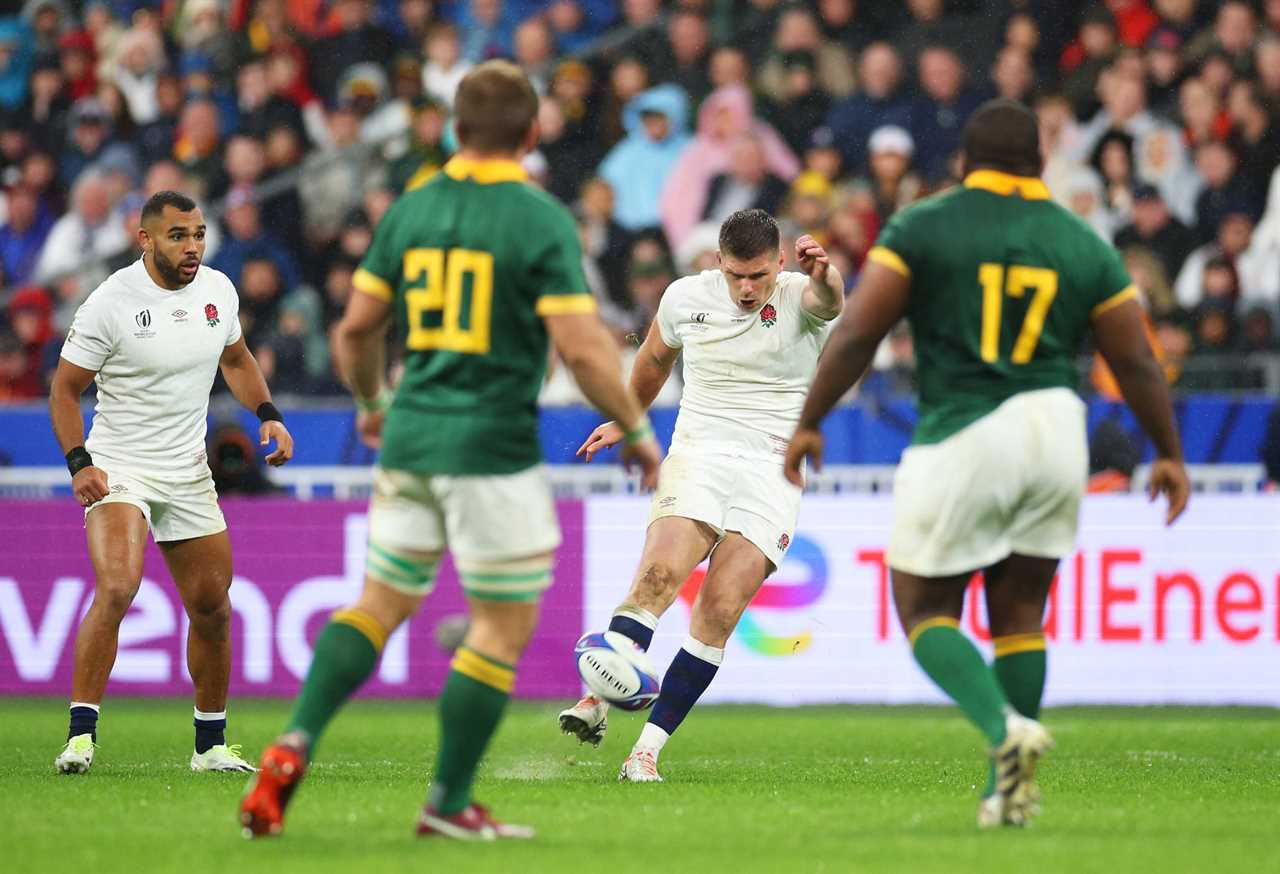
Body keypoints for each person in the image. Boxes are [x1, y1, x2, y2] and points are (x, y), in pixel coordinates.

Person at [238, 60, 661, 842]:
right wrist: (636, 432)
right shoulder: (538, 218)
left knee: (377, 603)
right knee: (499, 627)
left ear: (455, 129)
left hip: (410, 437)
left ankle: (293, 741)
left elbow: (356, 330)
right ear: (532, 134)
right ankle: (449, 800)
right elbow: (583, 345)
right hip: (491, 446)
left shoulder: (413, 207)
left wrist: (372, 404)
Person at [783, 100, 1189, 828]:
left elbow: (859, 333)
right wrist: (1170, 453)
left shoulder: (925, 224)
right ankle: (1006, 794)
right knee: (1021, 610)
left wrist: (809, 421)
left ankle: (1004, 732)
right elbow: (1133, 356)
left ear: (965, 162)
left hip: (967, 427)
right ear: (1038, 162)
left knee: (922, 605)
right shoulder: (1082, 239)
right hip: (1059, 429)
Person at [559, 208, 843, 782]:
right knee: (658, 577)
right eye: (736, 274)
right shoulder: (684, 297)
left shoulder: (799, 296)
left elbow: (831, 301)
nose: (747, 287)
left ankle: (646, 752)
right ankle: (598, 697)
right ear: (718, 262)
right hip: (699, 454)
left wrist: (826, 272)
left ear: (780, 264)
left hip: (772, 469)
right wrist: (626, 418)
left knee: (719, 608)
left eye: (758, 276)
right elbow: (654, 360)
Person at [48, 190, 295, 775]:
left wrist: (268, 415)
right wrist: (80, 462)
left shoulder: (218, 290)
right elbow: (63, 389)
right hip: (121, 466)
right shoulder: (110, 301)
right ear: (146, 240)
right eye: (178, 236)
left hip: (187, 470)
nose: (192, 247)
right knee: (118, 586)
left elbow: (235, 360)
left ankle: (209, 747)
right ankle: (81, 737)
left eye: (199, 234)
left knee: (213, 608)